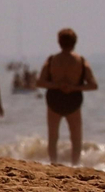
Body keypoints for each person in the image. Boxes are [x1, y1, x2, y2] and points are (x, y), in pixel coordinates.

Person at [35, 29, 97, 165]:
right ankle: (75, 165)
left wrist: (57, 85)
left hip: (54, 99)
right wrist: (74, 87)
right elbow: (93, 85)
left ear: (59, 42)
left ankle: (53, 163)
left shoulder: (52, 60)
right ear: (75, 43)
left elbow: (40, 82)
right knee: (75, 137)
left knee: (53, 136)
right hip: (72, 100)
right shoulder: (80, 61)